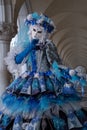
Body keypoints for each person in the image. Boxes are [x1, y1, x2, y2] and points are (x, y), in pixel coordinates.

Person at [0, 12, 87, 130]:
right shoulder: (26, 45)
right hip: (28, 80)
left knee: (48, 107)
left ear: (45, 33)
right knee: (25, 106)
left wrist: (69, 73)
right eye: (34, 30)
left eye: (39, 31)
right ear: (30, 30)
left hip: (47, 81)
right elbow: (17, 60)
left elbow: (56, 65)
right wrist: (30, 47)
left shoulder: (49, 46)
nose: (36, 34)